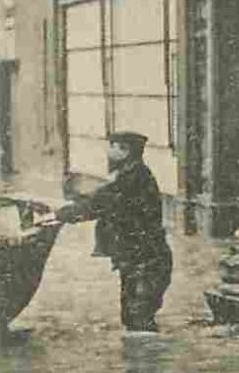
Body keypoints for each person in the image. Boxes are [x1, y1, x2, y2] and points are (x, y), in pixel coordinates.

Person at [50, 131, 173, 332]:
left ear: (125, 151)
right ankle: (138, 351)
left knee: (138, 315)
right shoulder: (131, 174)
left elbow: (99, 203)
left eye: (112, 146)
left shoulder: (133, 179)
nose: (108, 151)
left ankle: (142, 356)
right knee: (134, 310)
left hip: (144, 255)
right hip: (138, 253)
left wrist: (61, 214)